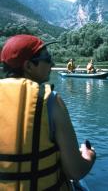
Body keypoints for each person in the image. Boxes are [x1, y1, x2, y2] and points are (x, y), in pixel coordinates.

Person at [0, 34, 96, 190]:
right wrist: (89, 155)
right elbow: (76, 171)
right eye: (47, 57)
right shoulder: (50, 101)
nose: (52, 63)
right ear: (28, 66)